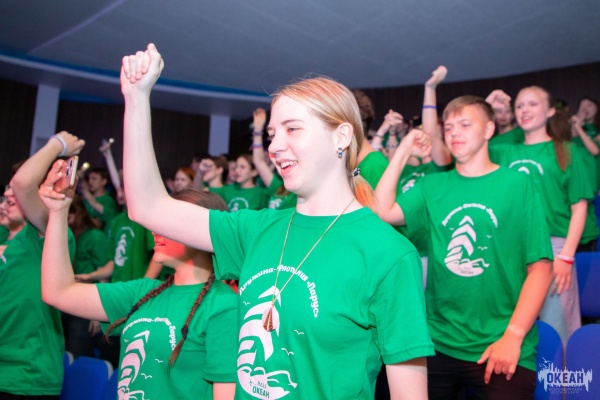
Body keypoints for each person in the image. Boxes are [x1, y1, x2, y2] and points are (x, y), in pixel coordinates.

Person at [120, 43, 433, 399]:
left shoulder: (388, 253)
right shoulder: (255, 230)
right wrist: (136, 98)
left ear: (342, 136)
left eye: (292, 129)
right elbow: (147, 207)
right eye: (271, 134)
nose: (274, 146)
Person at [375, 95, 553, 399]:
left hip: (500, 343)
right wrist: (403, 150)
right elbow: (381, 211)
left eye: (465, 124)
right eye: (449, 127)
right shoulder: (432, 186)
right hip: (438, 341)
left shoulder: (518, 184)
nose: (454, 132)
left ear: (488, 130)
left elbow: (541, 268)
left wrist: (513, 336)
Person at [40, 174, 238, 399]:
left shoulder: (223, 305)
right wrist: (58, 212)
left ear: (202, 232)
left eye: (170, 221)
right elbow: (58, 292)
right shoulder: (143, 292)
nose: (156, 229)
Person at [490, 86, 593, 343]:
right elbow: (470, 142)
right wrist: (489, 109)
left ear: (549, 111)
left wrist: (566, 256)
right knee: (512, 327)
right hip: (512, 249)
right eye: (519, 105)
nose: (524, 110)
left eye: (532, 104)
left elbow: (579, 207)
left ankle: (560, 372)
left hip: (554, 249)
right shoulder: (504, 151)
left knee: (556, 327)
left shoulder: (566, 150)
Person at [0, 131, 81, 399]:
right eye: (6, 190)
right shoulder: (9, 238)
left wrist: (58, 144)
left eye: (14, 193)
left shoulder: (49, 232)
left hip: (25, 374)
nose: (8, 194)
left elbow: (22, 183)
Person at [251, 107, 297, 209]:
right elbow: (258, 161)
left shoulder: (299, 193)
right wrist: (257, 130)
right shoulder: (277, 186)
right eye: (272, 135)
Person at [80, 166, 119, 232]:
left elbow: (103, 220)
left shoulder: (108, 200)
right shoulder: (85, 200)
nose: (90, 182)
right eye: (89, 179)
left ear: (104, 181)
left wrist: (85, 190)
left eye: (94, 179)